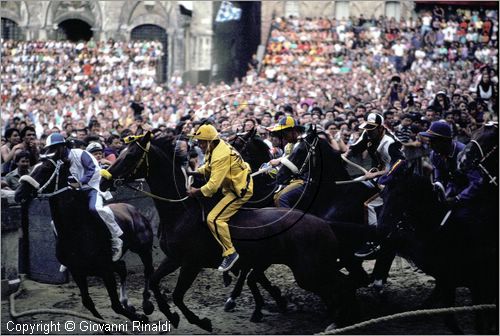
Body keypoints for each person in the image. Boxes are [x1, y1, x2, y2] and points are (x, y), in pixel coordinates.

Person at [44, 133, 123, 262]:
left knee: (95, 209)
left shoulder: (80, 153)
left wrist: (80, 182)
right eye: (51, 149)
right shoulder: (57, 162)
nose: (54, 151)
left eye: (56, 147)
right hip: (74, 193)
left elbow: (93, 170)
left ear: (63, 146)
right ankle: (66, 251)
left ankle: (116, 238)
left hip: (92, 188)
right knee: (56, 222)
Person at [187, 124, 253, 272]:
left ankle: (230, 253)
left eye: (202, 142)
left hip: (239, 190)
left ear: (210, 141)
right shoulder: (216, 146)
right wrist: (194, 172)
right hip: (230, 185)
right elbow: (209, 167)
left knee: (214, 219)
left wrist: (195, 192)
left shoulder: (220, 154)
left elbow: (212, 187)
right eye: (199, 142)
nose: (199, 145)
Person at [346, 112, 405, 258]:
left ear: (380, 128)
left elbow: (400, 164)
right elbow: (355, 147)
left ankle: (374, 241)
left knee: (369, 205)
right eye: (367, 128)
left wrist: (376, 174)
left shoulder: (389, 142)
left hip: (395, 178)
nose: (368, 131)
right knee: (353, 186)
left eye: (372, 129)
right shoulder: (367, 134)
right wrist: (344, 156)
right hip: (378, 175)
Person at [267, 116, 306, 207]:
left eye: (285, 133)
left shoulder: (304, 143)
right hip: (292, 179)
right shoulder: (288, 146)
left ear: (294, 131)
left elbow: (293, 161)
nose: (283, 137)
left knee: (281, 198)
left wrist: (279, 160)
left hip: (304, 180)